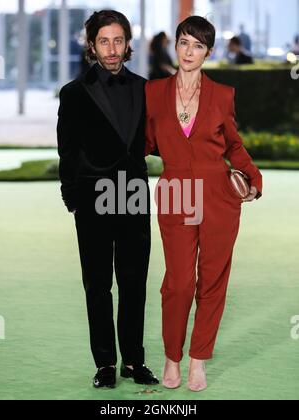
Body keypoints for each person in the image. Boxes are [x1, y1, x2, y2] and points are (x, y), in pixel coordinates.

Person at [145, 16, 263, 392]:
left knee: (212, 281)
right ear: (175, 46)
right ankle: (172, 355)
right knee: (179, 282)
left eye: (197, 45)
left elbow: (233, 144)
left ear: (209, 52)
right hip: (176, 192)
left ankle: (198, 359)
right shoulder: (154, 92)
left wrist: (253, 179)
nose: (189, 51)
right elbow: (143, 143)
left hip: (217, 195)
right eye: (183, 42)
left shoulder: (223, 94)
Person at [57, 10, 159, 389]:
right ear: (92, 45)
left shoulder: (145, 89)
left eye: (118, 40)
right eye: (104, 41)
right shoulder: (73, 93)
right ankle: (105, 365)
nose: (112, 49)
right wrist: (73, 199)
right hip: (93, 195)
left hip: (133, 193)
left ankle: (133, 361)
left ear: (128, 43)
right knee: (97, 284)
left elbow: (160, 140)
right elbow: (66, 149)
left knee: (134, 282)